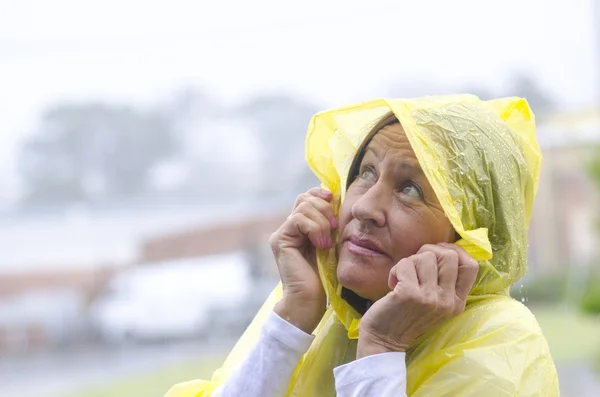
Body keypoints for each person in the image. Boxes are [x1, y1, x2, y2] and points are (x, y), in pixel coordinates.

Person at [166, 95, 559, 397]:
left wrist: (381, 348)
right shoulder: (323, 311)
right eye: (365, 172)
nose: (365, 207)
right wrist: (291, 318)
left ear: (471, 233)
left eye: (410, 189)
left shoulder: (500, 343)